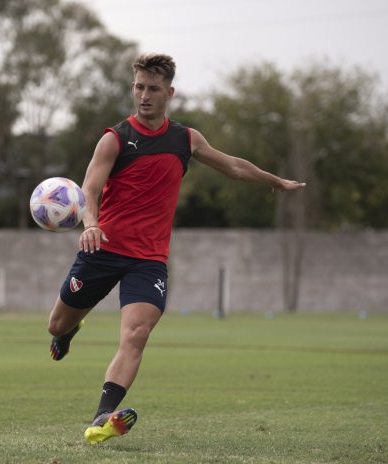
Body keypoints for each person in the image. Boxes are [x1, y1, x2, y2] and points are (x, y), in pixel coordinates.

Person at [47, 52, 306, 445]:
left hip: (148, 261)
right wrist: (91, 224)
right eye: (138, 87)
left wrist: (275, 181)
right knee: (56, 324)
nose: (144, 96)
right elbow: (91, 190)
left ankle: (102, 416)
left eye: (153, 89)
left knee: (135, 334)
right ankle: (69, 331)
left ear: (169, 92)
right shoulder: (115, 138)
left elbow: (233, 166)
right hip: (102, 249)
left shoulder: (185, 139)